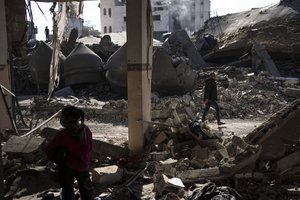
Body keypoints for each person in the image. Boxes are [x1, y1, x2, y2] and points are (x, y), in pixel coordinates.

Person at [46, 105, 93, 200]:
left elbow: (49, 150)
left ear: (65, 119)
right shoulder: (86, 130)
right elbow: (90, 148)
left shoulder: (63, 134)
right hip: (84, 166)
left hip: (68, 167)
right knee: (86, 191)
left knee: (67, 190)